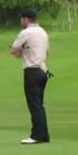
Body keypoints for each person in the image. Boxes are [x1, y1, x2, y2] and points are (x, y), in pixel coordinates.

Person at [9, 9, 51, 144]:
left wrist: (21, 53)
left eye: (22, 19)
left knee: (34, 105)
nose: (21, 21)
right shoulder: (43, 32)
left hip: (31, 72)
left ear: (26, 19)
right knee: (39, 104)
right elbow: (47, 52)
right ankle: (44, 135)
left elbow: (13, 50)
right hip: (43, 72)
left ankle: (37, 136)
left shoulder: (25, 32)